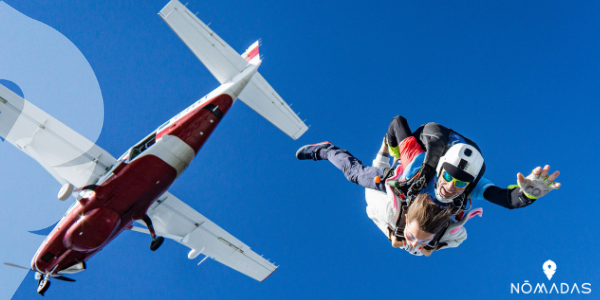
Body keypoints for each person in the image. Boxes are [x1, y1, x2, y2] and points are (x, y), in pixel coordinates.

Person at [296, 116, 561, 253]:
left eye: (460, 183)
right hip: (412, 162)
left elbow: (506, 199)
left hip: (429, 178)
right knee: (356, 175)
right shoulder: (415, 164)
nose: (451, 186)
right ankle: (326, 149)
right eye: (447, 177)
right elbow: (397, 122)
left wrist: (527, 194)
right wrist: (395, 152)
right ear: (440, 169)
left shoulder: (472, 186)